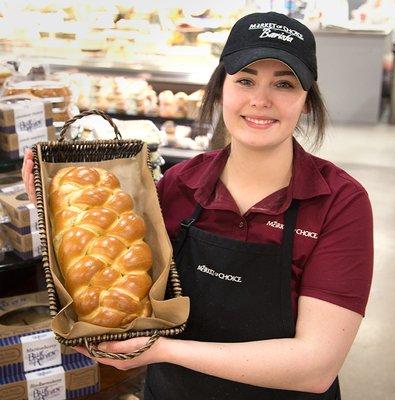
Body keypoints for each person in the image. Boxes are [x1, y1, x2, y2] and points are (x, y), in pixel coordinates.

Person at [22, 12, 373, 400]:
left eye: (284, 84)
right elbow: (118, 281)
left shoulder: (338, 203)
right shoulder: (178, 184)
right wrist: (54, 211)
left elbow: (316, 366)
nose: (260, 100)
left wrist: (162, 350)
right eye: (245, 80)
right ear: (220, 88)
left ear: (307, 102)